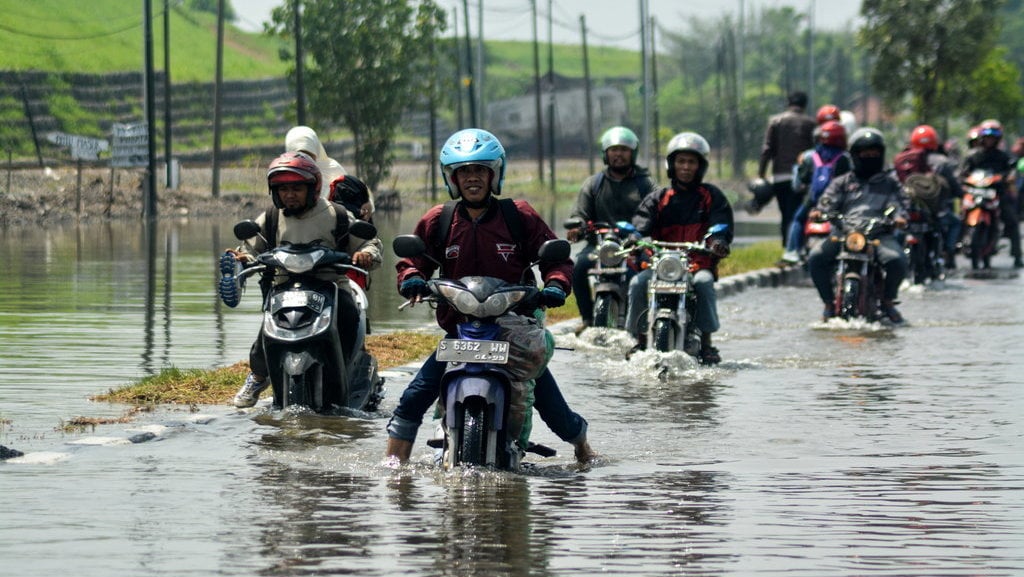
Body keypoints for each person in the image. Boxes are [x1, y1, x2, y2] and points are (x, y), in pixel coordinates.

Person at [385, 128, 596, 465]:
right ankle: (394, 472)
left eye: (480, 170)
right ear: (452, 178)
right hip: (461, 328)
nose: (472, 178)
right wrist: (412, 278)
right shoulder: (440, 220)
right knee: (414, 396)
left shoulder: (519, 215)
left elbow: (556, 258)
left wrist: (555, 285)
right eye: (464, 171)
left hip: (513, 328)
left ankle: (583, 448)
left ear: (494, 174)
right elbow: (413, 258)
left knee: (553, 410)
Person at [225, 151, 384, 408]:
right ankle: (258, 376)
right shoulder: (271, 217)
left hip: (331, 287)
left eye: (297, 188)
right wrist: (243, 257)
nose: (290, 194)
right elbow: (251, 245)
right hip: (283, 289)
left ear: (313, 187)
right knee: (266, 333)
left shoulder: (338, 215)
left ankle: (346, 370)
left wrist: (365, 254)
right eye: (283, 189)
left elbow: (369, 242)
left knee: (348, 317)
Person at [624, 132, 734, 365]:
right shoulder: (659, 198)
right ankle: (638, 338)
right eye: (681, 161)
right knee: (637, 283)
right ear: (671, 164)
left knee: (704, 283)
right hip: (662, 264)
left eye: (691, 162)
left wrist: (717, 242)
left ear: (700, 166)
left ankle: (706, 342)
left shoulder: (711, 196)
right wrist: (634, 238)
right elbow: (641, 224)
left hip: (696, 263)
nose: (685, 167)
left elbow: (719, 225)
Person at [807, 127, 909, 323]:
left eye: (874, 153)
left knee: (897, 260)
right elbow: (827, 201)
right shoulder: (842, 182)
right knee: (816, 257)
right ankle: (828, 304)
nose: (869, 157)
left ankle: (888, 301)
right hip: (845, 234)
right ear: (855, 155)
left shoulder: (890, 182)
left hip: (879, 236)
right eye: (865, 153)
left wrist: (899, 217)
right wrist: (820, 212)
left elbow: (900, 204)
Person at [567, 126, 656, 329]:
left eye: (624, 150)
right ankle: (587, 319)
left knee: (642, 276)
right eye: (614, 150)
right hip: (600, 245)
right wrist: (578, 227)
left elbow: (657, 212)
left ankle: (640, 325)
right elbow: (580, 213)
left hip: (634, 246)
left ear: (632, 153)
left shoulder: (646, 185)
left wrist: (644, 233)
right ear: (605, 153)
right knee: (577, 268)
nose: (618, 154)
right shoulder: (594, 184)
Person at [893, 124, 965, 269]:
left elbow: (893, 182)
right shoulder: (942, 161)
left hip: (906, 208)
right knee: (956, 222)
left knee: (896, 231)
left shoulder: (903, 159)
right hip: (933, 210)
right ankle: (948, 251)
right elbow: (953, 184)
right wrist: (961, 194)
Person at [780, 120, 852, 264]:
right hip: (838, 202)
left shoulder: (810, 156)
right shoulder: (846, 158)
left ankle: (792, 250)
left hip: (813, 201)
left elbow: (800, 181)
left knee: (798, 219)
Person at [751, 91, 817, 247]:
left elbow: (767, 149)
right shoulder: (810, 124)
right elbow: (815, 152)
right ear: (805, 105)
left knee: (785, 213)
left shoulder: (776, 121)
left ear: (789, 103)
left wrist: (761, 174)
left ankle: (787, 247)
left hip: (779, 176)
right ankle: (795, 247)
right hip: (802, 178)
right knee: (797, 213)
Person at [959, 119, 1022, 268]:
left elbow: (1011, 169)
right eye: (987, 137)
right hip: (976, 193)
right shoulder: (973, 155)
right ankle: (951, 251)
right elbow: (962, 172)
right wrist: (963, 180)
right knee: (958, 219)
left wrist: (1010, 177)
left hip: (997, 194)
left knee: (1012, 221)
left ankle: (1017, 255)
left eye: (993, 138)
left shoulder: (1003, 156)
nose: (990, 140)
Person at [284, 125, 347, 196]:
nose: (305, 160)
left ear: (316, 151)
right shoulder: (283, 176)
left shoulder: (334, 171)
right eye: (299, 156)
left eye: (309, 155)